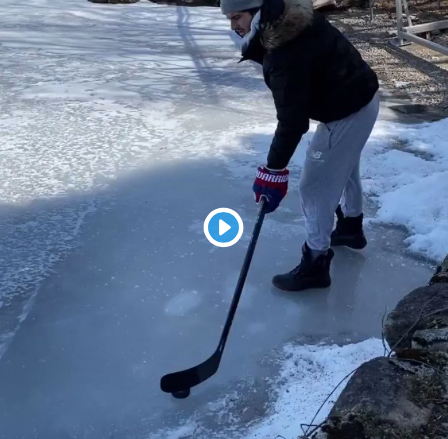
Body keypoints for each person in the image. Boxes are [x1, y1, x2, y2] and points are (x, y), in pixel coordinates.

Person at [220, 0, 380, 292]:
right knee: (343, 167)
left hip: (346, 111)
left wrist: (273, 170)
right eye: (229, 19)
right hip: (360, 99)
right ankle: (350, 228)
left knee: (315, 186)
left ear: (258, 11)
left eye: (237, 17)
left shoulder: (286, 49)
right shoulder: (291, 20)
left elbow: (293, 121)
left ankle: (315, 265)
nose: (233, 26)